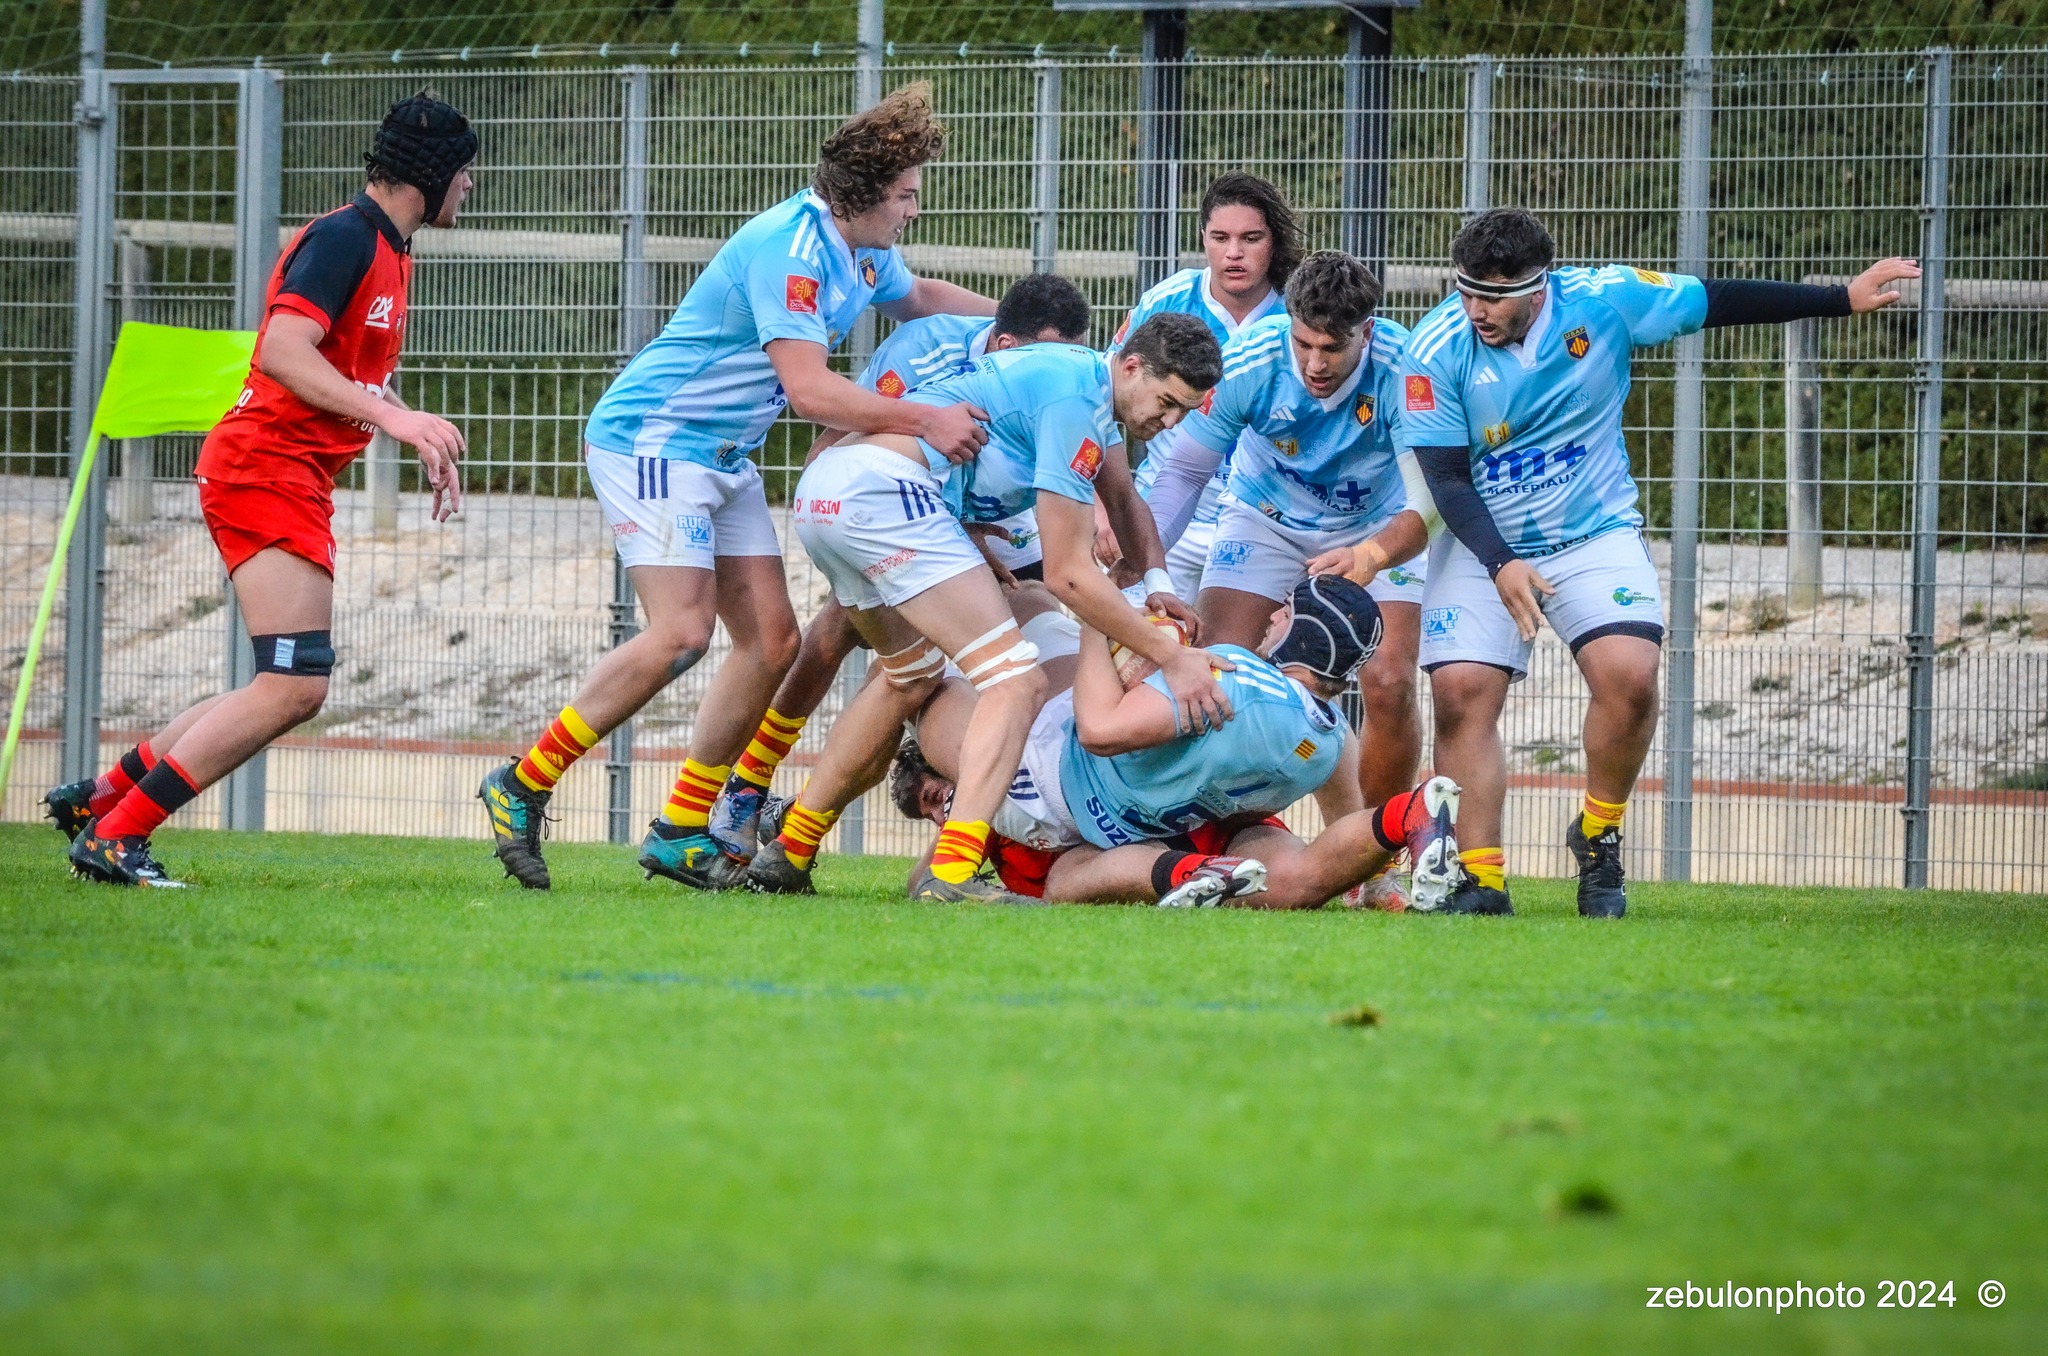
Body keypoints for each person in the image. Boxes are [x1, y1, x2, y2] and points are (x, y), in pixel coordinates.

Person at [478, 82, 997, 891]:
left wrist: (1022, 333)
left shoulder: (859, 246)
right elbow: (810, 392)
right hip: (654, 440)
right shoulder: (791, 249)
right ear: (861, 196)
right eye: (905, 196)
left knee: (773, 644)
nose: (913, 211)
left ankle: (682, 826)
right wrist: (927, 417)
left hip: (721, 458)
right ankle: (524, 782)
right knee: (681, 633)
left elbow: (920, 298)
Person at [1400, 206, 1920, 917]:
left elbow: (1716, 300)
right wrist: (1499, 562)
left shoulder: (1606, 299)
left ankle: (1599, 836)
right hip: (1484, 538)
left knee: (1633, 678)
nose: (1477, 309)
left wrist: (1840, 298)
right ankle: (1481, 879)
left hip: (1593, 532)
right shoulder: (1435, 349)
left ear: (1538, 284)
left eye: (1495, 294)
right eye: (1465, 291)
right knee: (1459, 693)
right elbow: (1448, 479)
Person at [50, 93, 477, 887]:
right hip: (262, 469)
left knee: (281, 681)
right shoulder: (347, 237)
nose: (471, 188)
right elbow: (282, 350)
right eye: (467, 173)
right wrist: (399, 421)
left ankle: (100, 800)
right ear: (436, 173)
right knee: (295, 685)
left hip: (284, 473)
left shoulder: (389, 249)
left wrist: (409, 428)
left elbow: (340, 373)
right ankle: (116, 836)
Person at [750, 314, 1227, 903]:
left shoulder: (1083, 382)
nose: (1170, 421)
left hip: (828, 492)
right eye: (1168, 402)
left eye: (1185, 410)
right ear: (1131, 367)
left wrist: (1156, 579)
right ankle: (951, 874)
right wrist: (1167, 655)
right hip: (886, 491)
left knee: (910, 675)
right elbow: (1069, 576)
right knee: (1016, 681)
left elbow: (1123, 496)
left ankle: (790, 848)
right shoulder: (1076, 401)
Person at [697, 275, 1094, 875]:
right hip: (895, 505)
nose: (1057, 369)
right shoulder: (925, 350)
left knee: (919, 668)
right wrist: (949, 534)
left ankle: (799, 839)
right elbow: (834, 447)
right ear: (1007, 344)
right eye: (1044, 354)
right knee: (840, 632)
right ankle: (749, 786)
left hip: (995, 516)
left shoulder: (1074, 381)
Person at [890, 575, 1463, 910]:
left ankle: (1183, 873)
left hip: (1060, 785)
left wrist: (1101, 620)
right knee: (1300, 880)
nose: (1270, 619)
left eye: (1283, 613)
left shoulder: (1227, 669)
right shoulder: (1334, 739)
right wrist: (1378, 874)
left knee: (921, 692)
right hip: (1167, 818)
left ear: (1300, 630)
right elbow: (1345, 821)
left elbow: (1099, 731)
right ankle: (1413, 812)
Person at [1141, 251, 1432, 908]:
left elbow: (1430, 502)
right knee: (1217, 677)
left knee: (1388, 681)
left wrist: (1373, 556)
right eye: (1303, 342)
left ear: (1369, 328)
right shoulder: (1249, 356)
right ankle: (1206, 849)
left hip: (1379, 526)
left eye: (1333, 347)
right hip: (1265, 519)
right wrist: (1151, 574)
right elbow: (1184, 474)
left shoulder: (1407, 369)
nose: (1316, 363)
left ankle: (1374, 861)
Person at [1115, 172, 1303, 599]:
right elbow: (1107, 398)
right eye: (1220, 237)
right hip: (1162, 507)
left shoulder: (1299, 314)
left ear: (1273, 241)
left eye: (1251, 238)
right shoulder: (1167, 299)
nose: (1233, 253)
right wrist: (1106, 508)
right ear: (1202, 237)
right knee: (1135, 646)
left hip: (1263, 520)